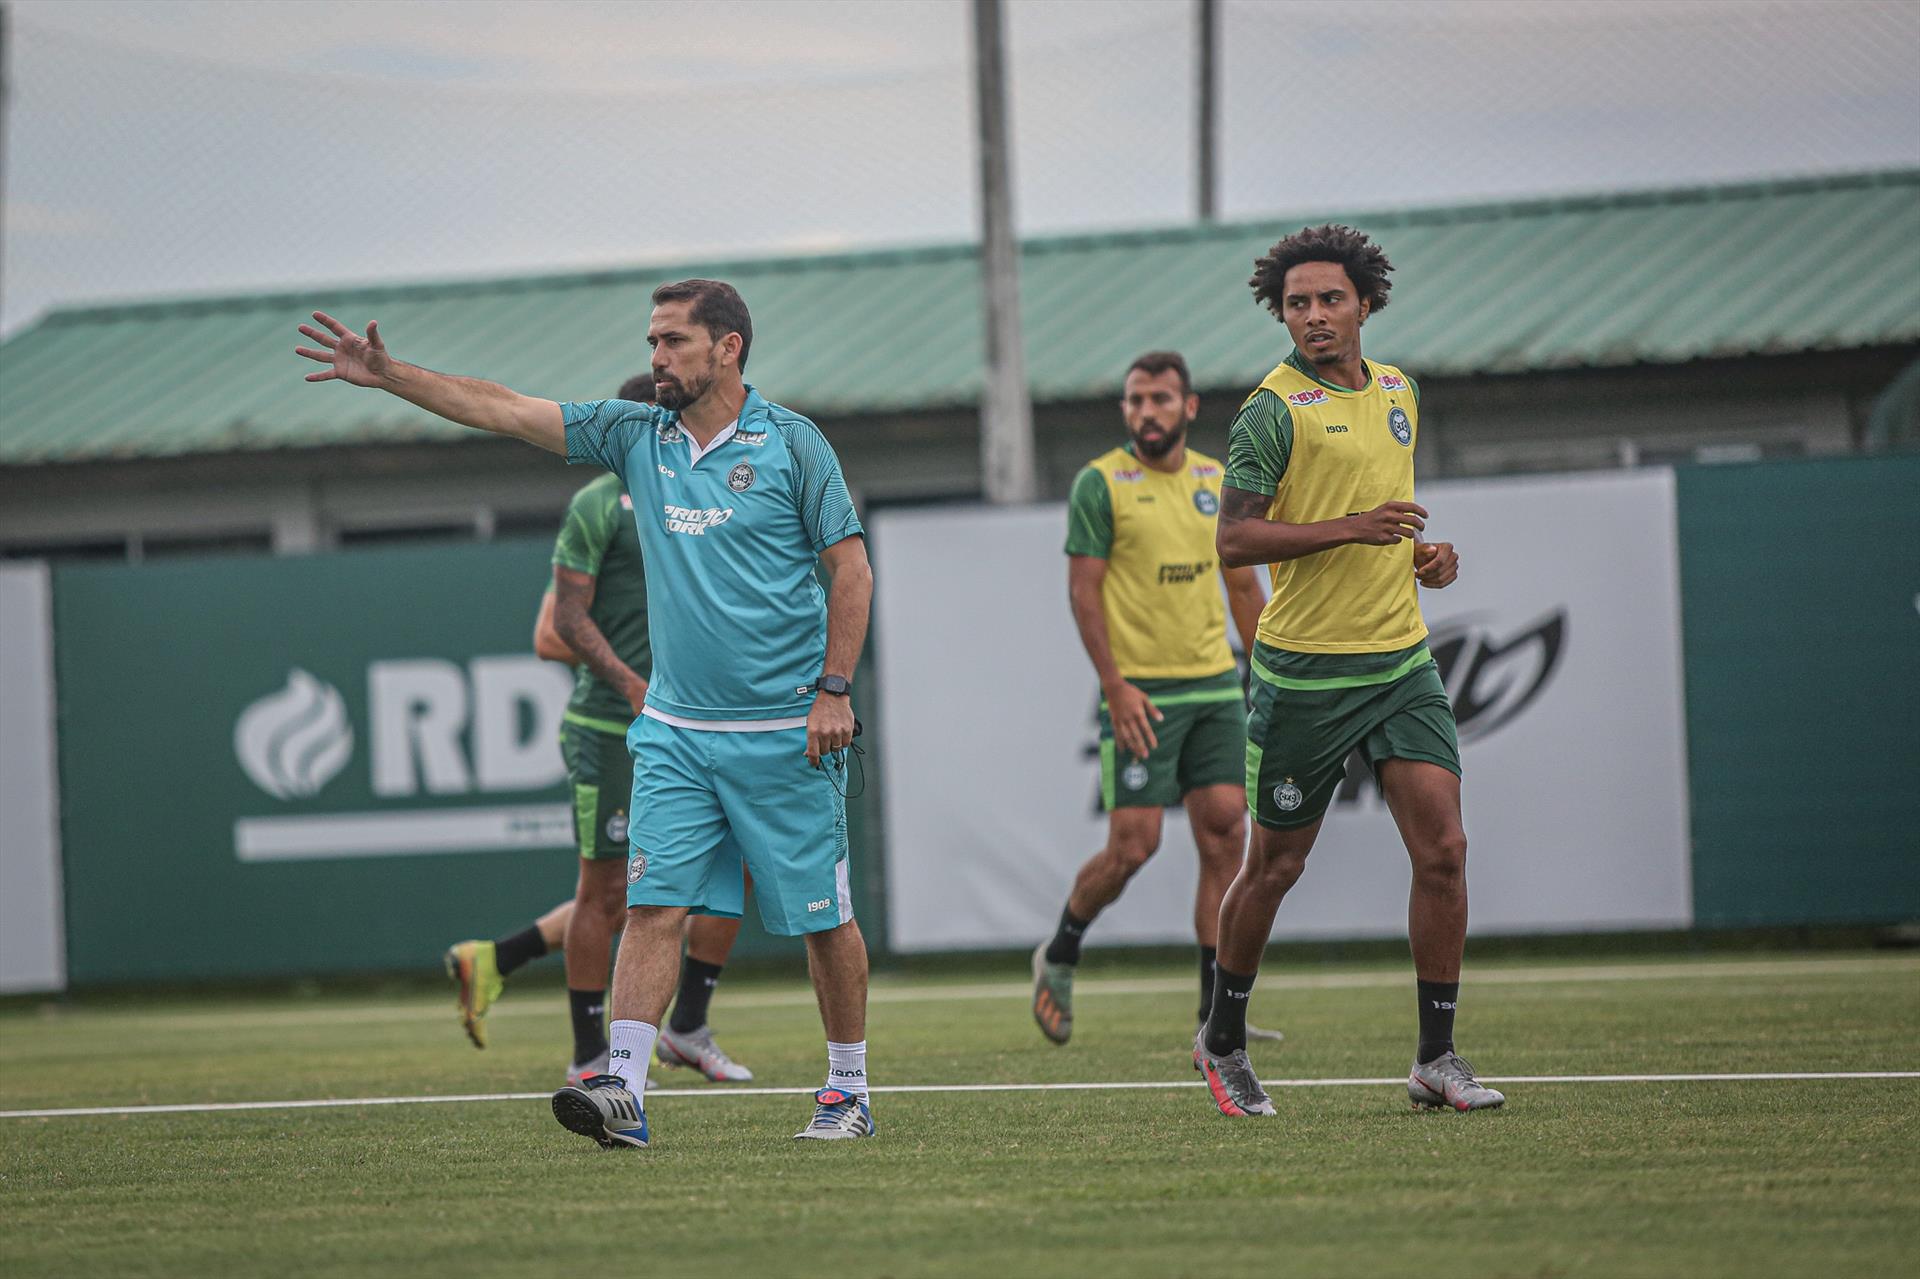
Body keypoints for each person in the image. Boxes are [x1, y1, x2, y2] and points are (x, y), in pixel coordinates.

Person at [297, 278, 875, 1147]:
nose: (656, 358)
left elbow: (852, 572)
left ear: (729, 347)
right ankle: (623, 1089)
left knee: (823, 919)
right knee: (651, 906)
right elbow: (504, 409)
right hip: (677, 734)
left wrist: (834, 689)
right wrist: (391, 375)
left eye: (673, 341)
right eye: (652, 342)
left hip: (784, 730)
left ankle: (847, 1090)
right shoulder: (636, 433)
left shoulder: (795, 444)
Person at [1193, 225, 1504, 1117]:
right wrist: (1353, 527)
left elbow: (1382, 527)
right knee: (1275, 868)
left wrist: (1423, 559)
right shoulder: (1270, 409)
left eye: (1331, 299)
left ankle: (1436, 1058)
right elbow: (1235, 539)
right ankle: (1224, 1037)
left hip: (1401, 661)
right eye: (1298, 303)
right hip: (1306, 676)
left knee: (1443, 850)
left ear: (1366, 302)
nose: (1315, 316)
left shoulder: (1399, 390)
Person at [443, 374, 754, 1087]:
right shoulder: (601, 503)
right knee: (612, 894)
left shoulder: (706, 496)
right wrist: (636, 683)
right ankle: (589, 1057)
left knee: (723, 873)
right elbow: (554, 629)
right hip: (616, 725)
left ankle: (686, 1026)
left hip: (703, 723)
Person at [1030, 351, 1280, 1047]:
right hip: (1141, 692)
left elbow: (1242, 587)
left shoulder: (1216, 480)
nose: (1147, 412)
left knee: (1227, 829)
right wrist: (1116, 686)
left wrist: (1267, 672)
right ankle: (1061, 950)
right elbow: (1084, 593)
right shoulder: (1101, 484)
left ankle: (1215, 1014)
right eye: (1136, 400)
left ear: (1189, 407)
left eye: (1161, 400)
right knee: (1133, 847)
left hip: (1214, 687)